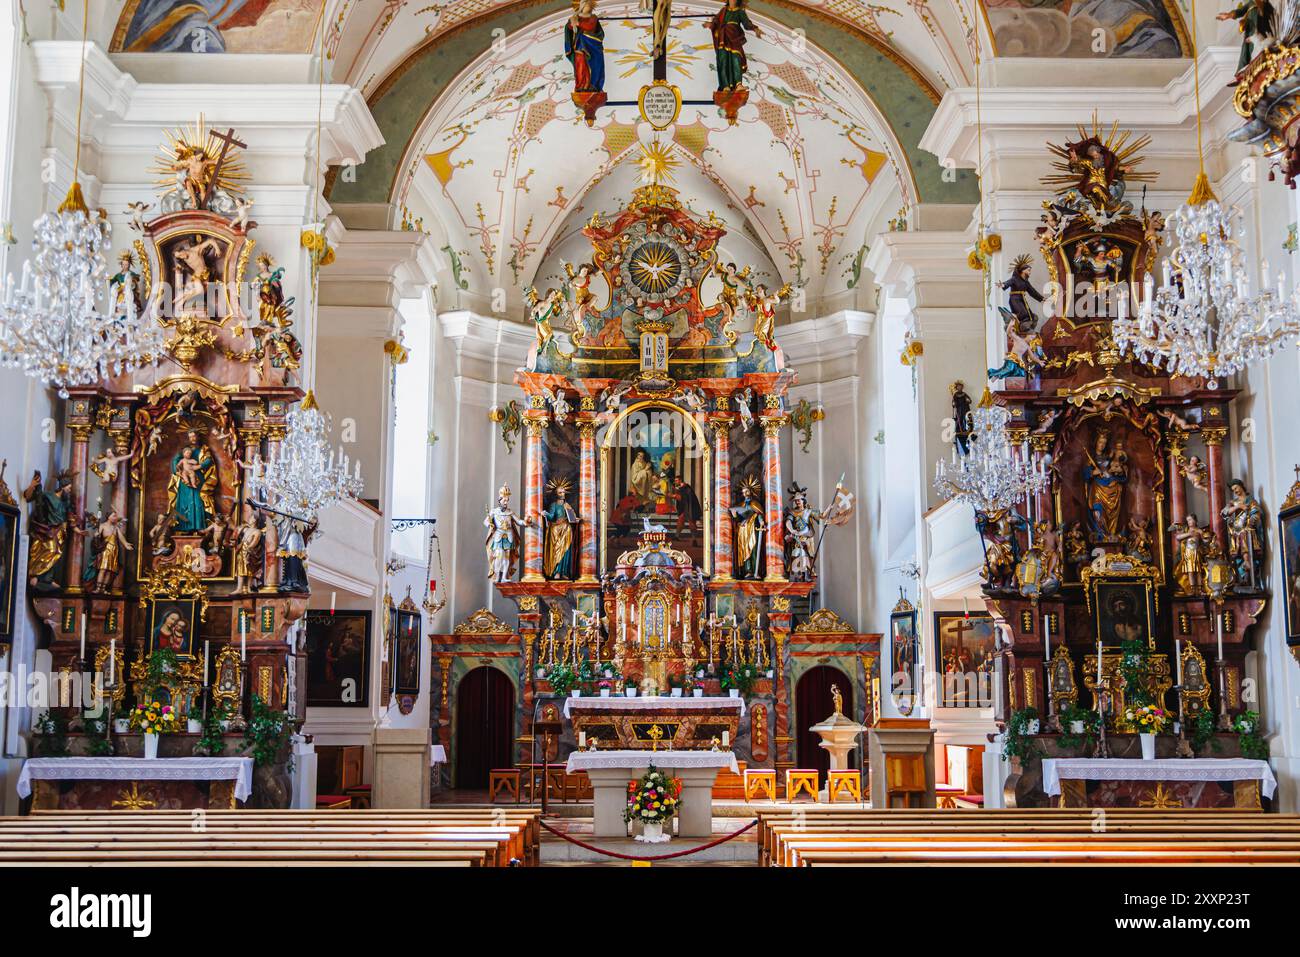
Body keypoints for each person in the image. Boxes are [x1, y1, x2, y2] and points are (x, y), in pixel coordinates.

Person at [708, 0, 762, 91]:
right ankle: (725, 86)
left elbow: (746, 24)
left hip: (734, 36)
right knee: (722, 60)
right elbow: (716, 21)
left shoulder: (740, 11)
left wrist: (755, 29)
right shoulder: (724, 10)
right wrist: (711, 24)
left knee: (736, 59)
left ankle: (738, 85)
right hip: (723, 37)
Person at [565, 0, 605, 93]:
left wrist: (577, 23)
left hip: (592, 47)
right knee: (580, 64)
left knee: (594, 66)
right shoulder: (576, 17)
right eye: (586, 5)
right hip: (579, 46)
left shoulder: (593, 17)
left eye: (589, 6)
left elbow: (590, 26)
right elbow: (570, 27)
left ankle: (592, 85)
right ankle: (581, 86)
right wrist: (571, 22)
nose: (588, 7)